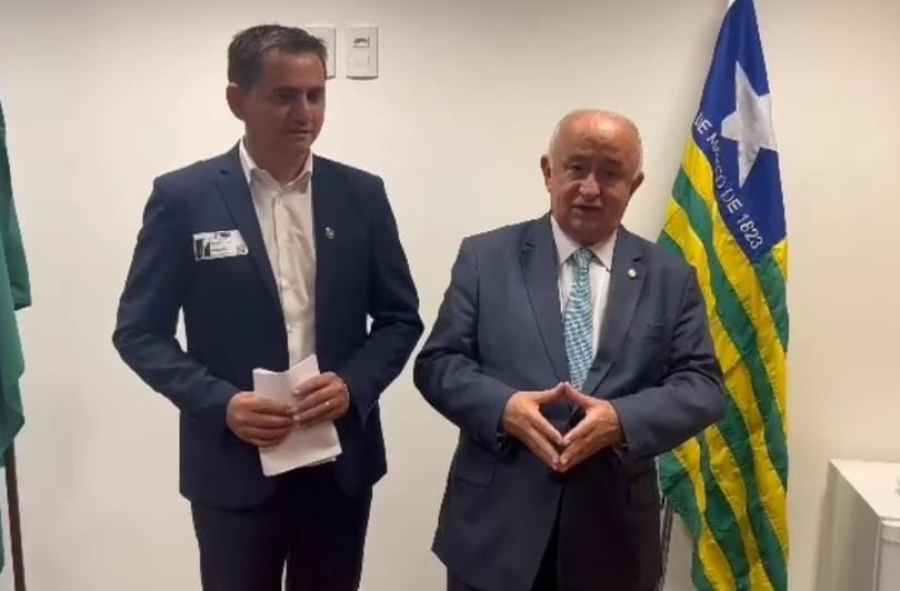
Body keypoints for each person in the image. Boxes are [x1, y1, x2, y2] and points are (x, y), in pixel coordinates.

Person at [113, 24, 423, 591]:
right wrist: (223, 404)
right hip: (233, 468)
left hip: (338, 467)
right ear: (238, 100)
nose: (305, 113)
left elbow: (400, 319)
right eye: (285, 96)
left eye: (316, 94)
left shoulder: (361, 195)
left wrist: (352, 385)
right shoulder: (184, 199)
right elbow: (139, 332)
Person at [414, 110, 726, 591]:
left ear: (635, 185)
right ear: (548, 172)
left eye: (611, 174)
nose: (590, 189)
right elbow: (439, 364)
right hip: (495, 533)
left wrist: (622, 420)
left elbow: (702, 386)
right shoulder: (484, 258)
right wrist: (503, 409)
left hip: (613, 540)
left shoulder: (671, 277)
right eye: (577, 168)